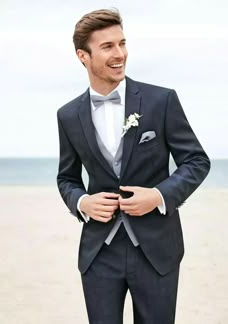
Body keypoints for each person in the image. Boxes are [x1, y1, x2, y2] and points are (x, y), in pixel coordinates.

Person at [57, 8, 210, 324]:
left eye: (122, 43)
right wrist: (82, 201)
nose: (120, 54)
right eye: (108, 46)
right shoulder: (68, 115)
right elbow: (67, 177)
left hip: (156, 252)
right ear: (82, 56)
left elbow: (196, 161)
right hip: (99, 253)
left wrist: (158, 195)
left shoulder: (161, 101)